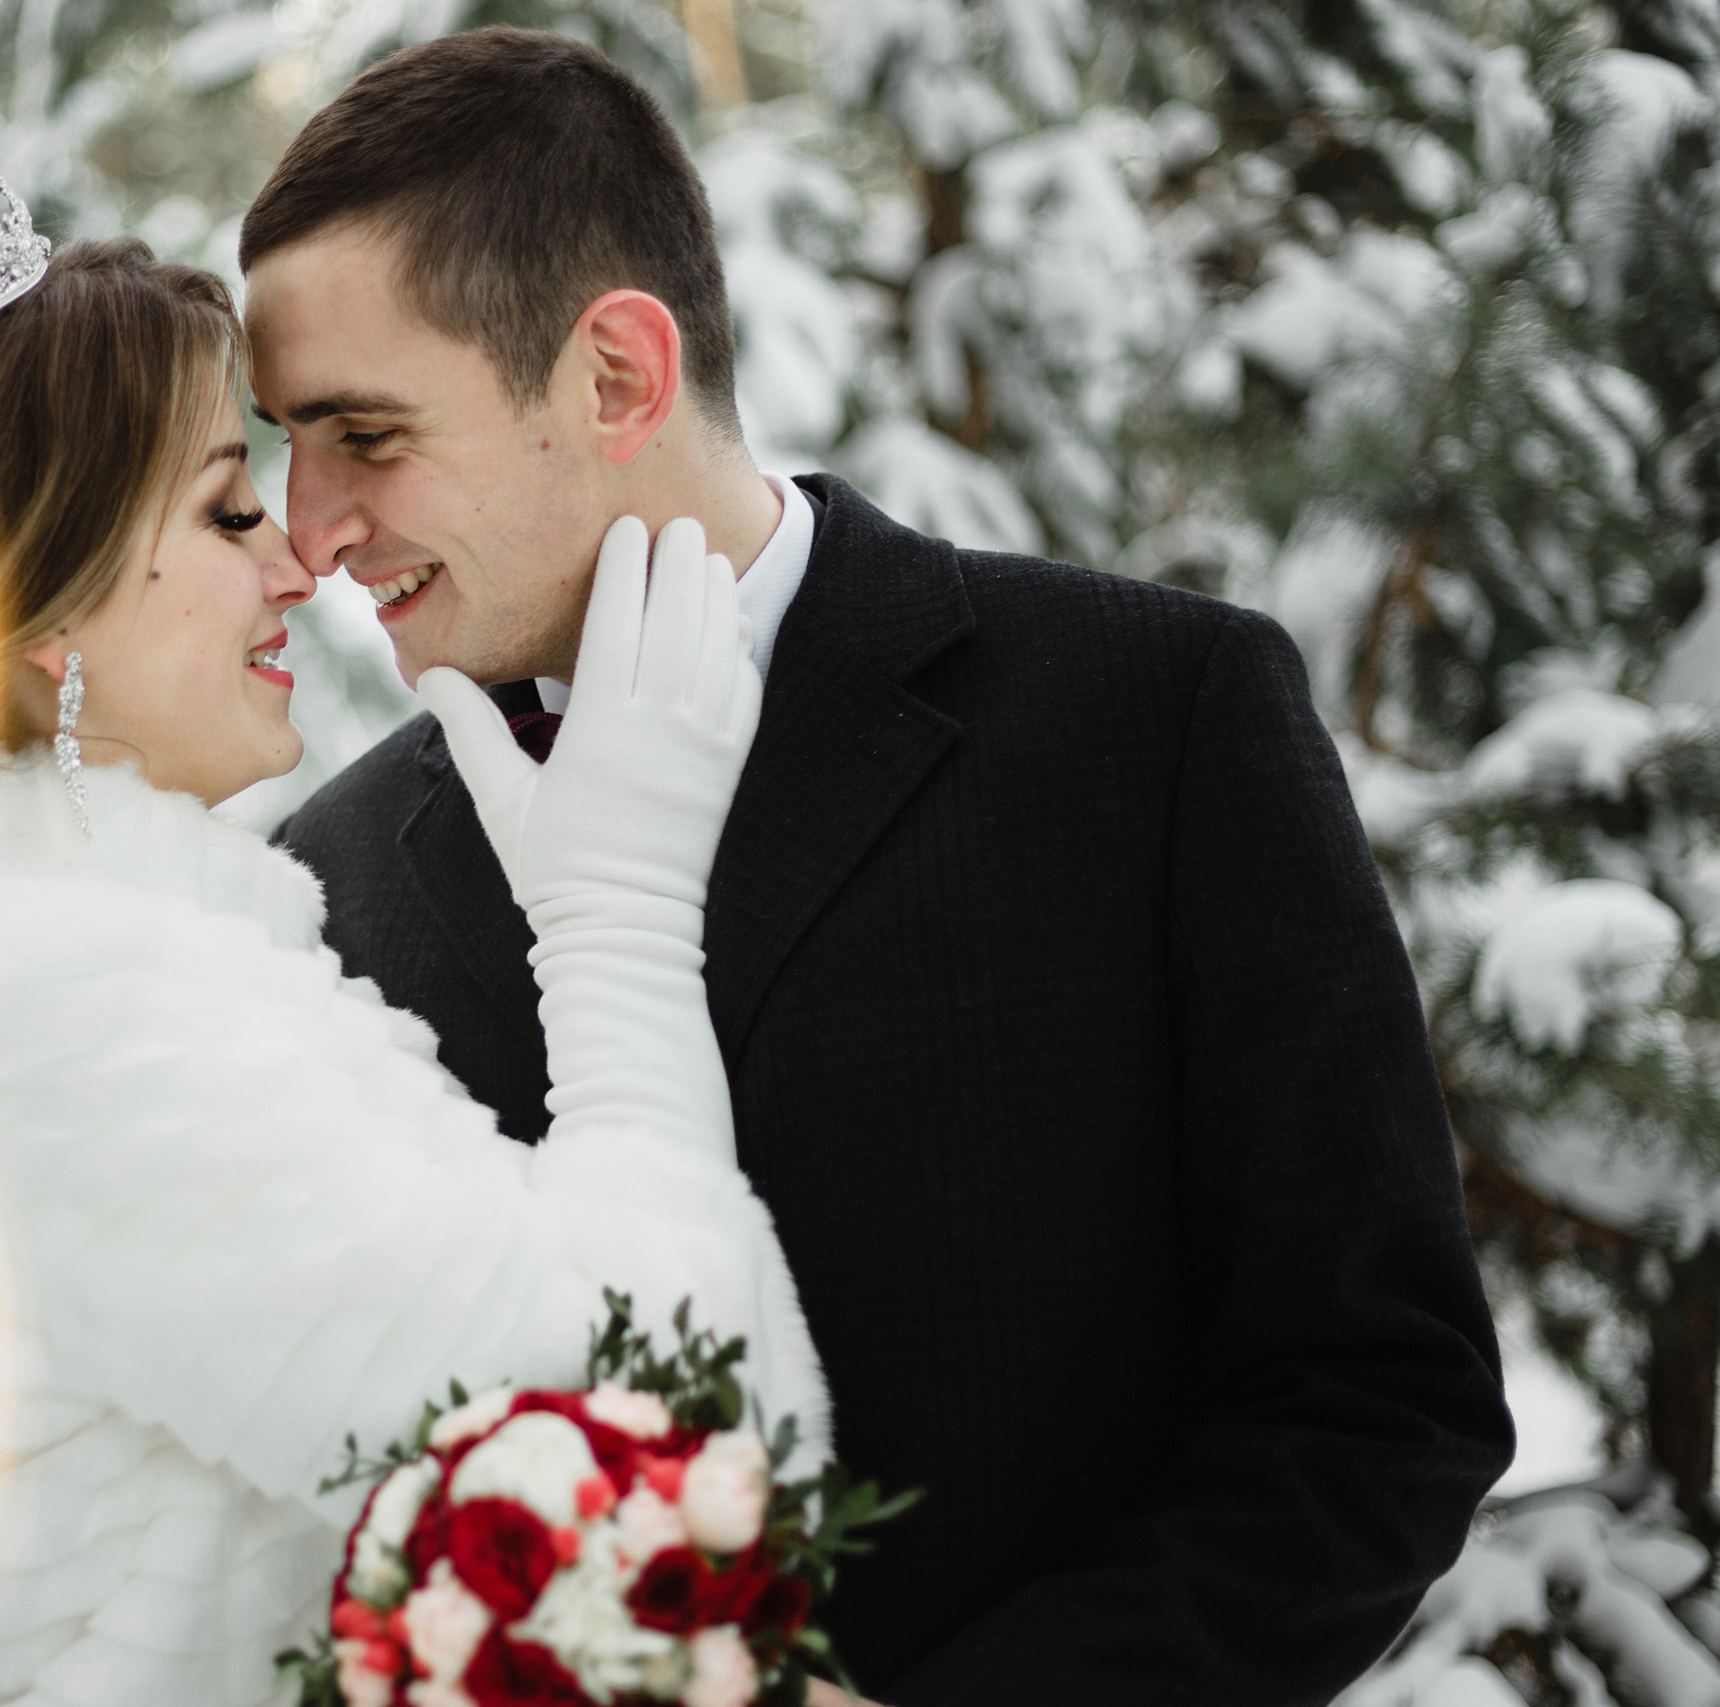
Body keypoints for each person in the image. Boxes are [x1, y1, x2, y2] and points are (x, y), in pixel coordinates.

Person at [247, 28, 1517, 1706]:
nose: (307, 525)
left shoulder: (1150, 719)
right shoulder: (334, 887)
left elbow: (1380, 1395)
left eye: (363, 434)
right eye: (282, 442)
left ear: (618, 377)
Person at [0, 211, 825, 1706]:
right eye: (221, 513)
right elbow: (665, 1467)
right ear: (44, 620)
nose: (295, 562)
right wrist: (621, 927)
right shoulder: (62, 1009)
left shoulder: (19, 952)